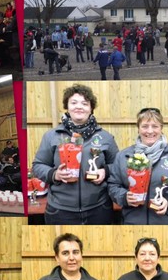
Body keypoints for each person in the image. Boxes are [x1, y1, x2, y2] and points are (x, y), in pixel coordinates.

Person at [32, 84, 118, 224]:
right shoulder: (52, 136)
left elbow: (117, 165)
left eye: (85, 103)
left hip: (99, 209)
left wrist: (105, 171)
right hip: (60, 211)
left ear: (91, 108)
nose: (79, 107)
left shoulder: (105, 137)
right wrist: (54, 174)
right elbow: (38, 165)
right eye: (74, 102)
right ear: (67, 106)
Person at [109, 107, 168, 224]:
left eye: (155, 126)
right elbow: (113, 185)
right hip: (131, 222)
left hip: (167, 222)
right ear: (138, 128)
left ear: (161, 128)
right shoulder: (123, 156)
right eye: (144, 126)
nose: (149, 131)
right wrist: (124, 197)